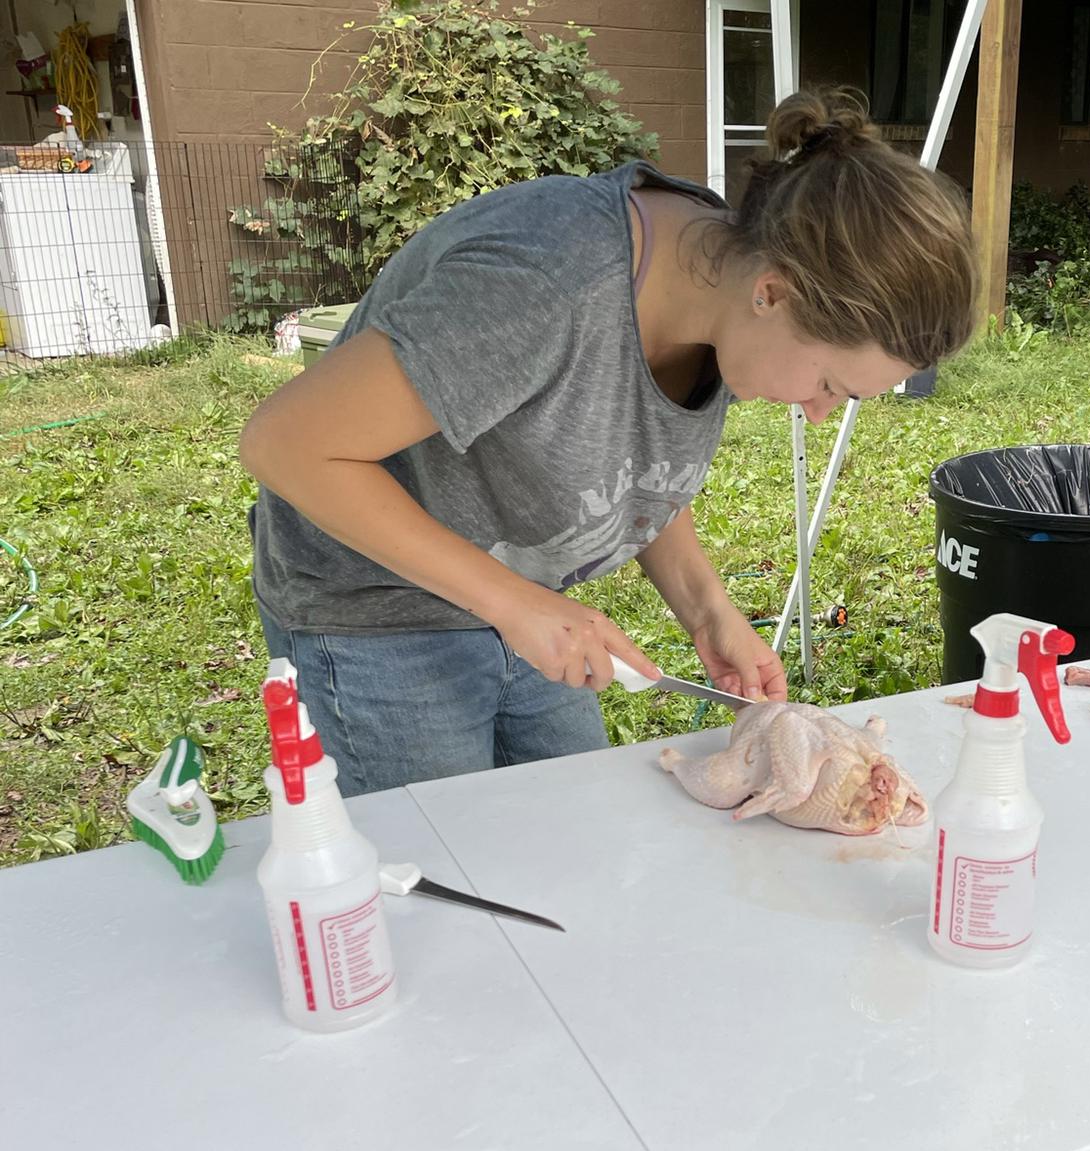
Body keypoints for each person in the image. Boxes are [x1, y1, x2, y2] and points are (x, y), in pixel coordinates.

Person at [239, 89, 979, 797]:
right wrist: (515, 604)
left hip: (526, 598)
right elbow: (286, 445)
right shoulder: (546, 284)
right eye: (830, 385)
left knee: (574, 845)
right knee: (443, 889)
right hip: (375, 612)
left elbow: (632, 460)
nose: (819, 414)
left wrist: (707, 610)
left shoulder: (721, 284)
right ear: (775, 293)